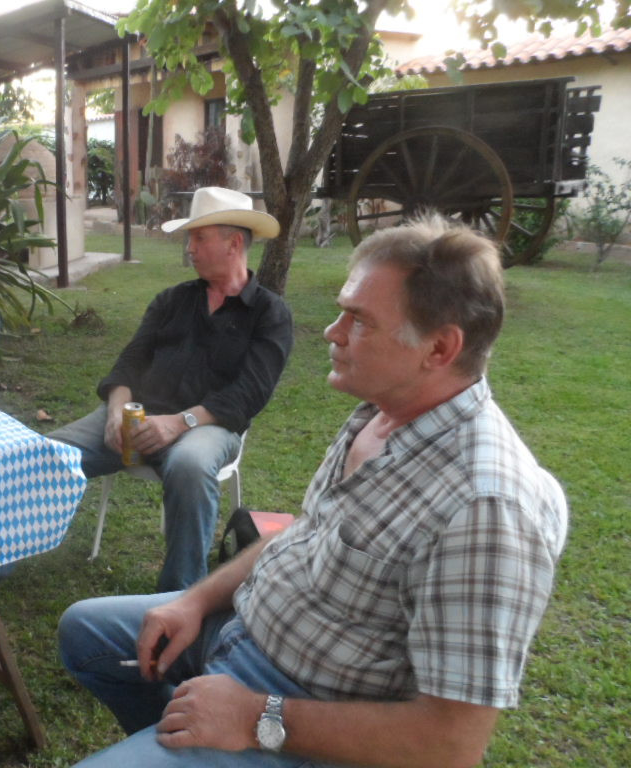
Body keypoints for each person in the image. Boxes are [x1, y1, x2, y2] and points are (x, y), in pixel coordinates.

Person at [58, 216, 568, 768]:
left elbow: (451, 744)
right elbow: (305, 532)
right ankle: (186, 735)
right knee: (84, 632)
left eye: (359, 321)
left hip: (303, 703)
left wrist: (255, 718)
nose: (332, 332)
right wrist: (194, 600)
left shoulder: (486, 507)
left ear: (439, 348)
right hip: (242, 631)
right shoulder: (381, 413)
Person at [50, 187, 293, 592]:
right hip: (137, 414)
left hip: (209, 425)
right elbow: (129, 362)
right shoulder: (172, 300)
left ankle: (180, 598)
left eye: (199, 238)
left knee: (190, 467)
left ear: (234, 243)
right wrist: (116, 410)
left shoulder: (269, 313)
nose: (189, 248)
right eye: (190, 238)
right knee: (46, 455)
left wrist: (178, 423)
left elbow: (248, 394)